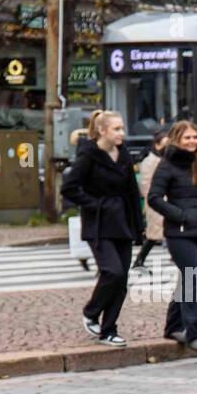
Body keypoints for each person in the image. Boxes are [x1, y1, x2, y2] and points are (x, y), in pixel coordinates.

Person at [60, 110, 142, 347]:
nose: (122, 133)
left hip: (123, 223)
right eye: (116, 129)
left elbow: (131, 192)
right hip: (98, 224)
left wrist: (138, 227)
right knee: (112, 272)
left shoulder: (124, 153)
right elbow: (70, 188)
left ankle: (109, 330)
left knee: (122, 279)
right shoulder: (88, 155)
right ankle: (91, 312)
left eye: (122, 128)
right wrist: (95, 205)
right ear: (103, 130)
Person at [148, 119, 197, 351]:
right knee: (192, 276)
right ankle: (193, 332)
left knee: (187, 277)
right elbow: (154, 197)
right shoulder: (168, 165)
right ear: (176, 140)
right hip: (179, 233)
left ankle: (172, 327)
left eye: (195, 137)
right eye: (187, 138)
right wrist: (180, 215)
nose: (192, 142)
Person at [133, 127, 168, 270]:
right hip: (156, 202)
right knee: (155, 234)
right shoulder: (149, 161)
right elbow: (145, 184)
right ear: (157, 145)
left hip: (163, 201)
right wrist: (154, 199)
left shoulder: (162, 159)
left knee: (162, 232)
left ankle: (140, 260)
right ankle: (139, 260)